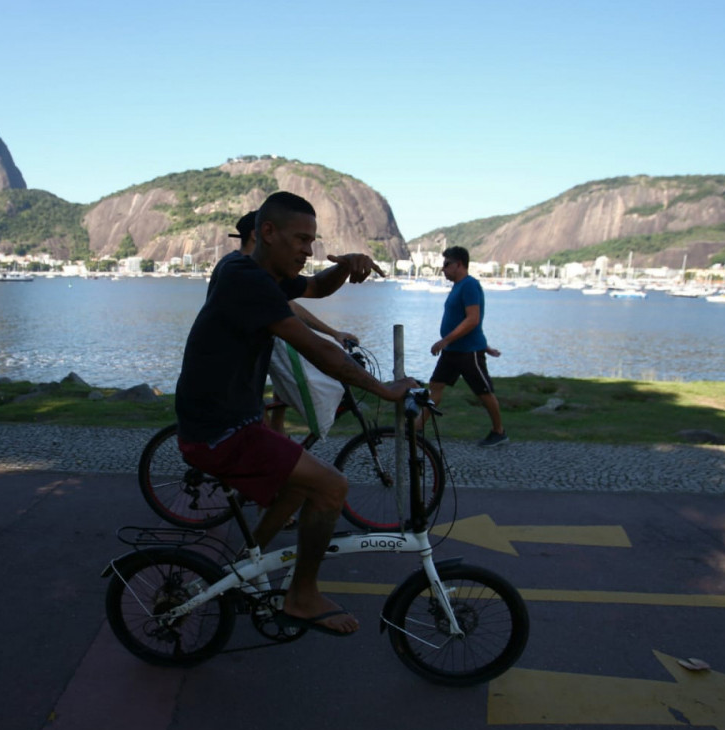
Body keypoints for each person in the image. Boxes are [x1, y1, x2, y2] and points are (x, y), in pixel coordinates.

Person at [175, 191, 417, 636]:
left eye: (313, 241)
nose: (309, 250)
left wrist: (345, 267)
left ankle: (244, 565)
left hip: (229, 421)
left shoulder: (258, 273)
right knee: (332, 486)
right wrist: (386, 391)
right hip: (220, 431)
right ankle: (301, 596)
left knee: (300, 487)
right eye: (302, 240)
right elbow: (319, 351)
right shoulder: (243, 279)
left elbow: (318, 287)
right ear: (267, 232)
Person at [228, 210, 359, 433]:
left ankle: (277, 434)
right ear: (259, 234)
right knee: (261, 438)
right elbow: (314, 343)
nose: (304, 250)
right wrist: (385, 391)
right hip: (236, 381)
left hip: (250, 370)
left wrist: (334, 332)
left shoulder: (253, 270)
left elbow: (309, 291)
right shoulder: (245, 273)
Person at [425, 245, 508, 447]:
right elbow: (465, 320)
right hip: (452, 351)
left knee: (484, 392)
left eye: (446, 264)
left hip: (468, 352)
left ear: (459, 264)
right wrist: (486, 346)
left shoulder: (470, 285)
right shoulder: (458, 286)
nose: (443, 269)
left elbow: (472, 320)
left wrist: (446, 340)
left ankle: (499, 432)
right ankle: (418, 426)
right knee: (435, 385)